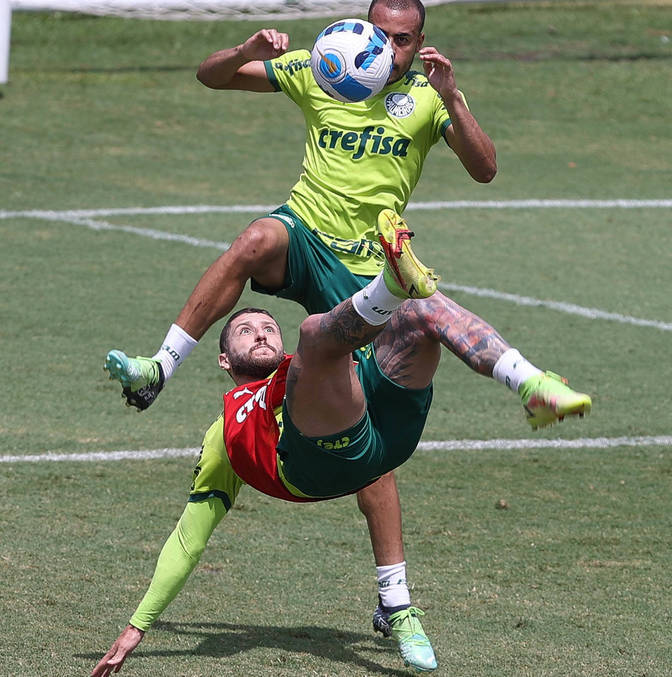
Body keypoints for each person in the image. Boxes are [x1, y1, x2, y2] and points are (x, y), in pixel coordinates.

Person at [105, 0, 591, 656]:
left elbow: (485, 167)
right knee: (255, 238)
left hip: (362, 276)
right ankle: (159, 365)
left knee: (362, 434)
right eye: (381, 34)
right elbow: (210, 77)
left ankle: (395, 602)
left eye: (402, 39)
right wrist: (248, 45)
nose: (388, 48)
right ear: (363, 28)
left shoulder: (425, 96)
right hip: (306, 236)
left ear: (420, 42)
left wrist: (454, 100)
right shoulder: (325, 67)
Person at [96, 214, 592, 676]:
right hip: (314, 464)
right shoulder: (226, 429)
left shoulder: (302, 370)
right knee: (317, 331)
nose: (263, 333)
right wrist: (138, 626)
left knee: (420, 312)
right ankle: (389, 287)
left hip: (382, 438)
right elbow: (190, 536)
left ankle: (530, 384)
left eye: (269, 326)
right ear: (225, 360)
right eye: (246, 331)